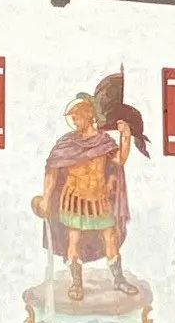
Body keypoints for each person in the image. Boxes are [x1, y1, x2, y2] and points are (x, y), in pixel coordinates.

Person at [32, 94, 134, 302]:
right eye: (73, 118)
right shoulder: (67, 143)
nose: (75, 122)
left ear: (88, 116)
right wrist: (45, 197)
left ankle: (118, 278)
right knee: (74, 239)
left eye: (77, 117)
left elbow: (119, 160)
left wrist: (126, 136)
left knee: (110, 237)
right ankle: (77, 283)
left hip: (98, 199)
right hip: (74, 199)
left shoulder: (104, 141)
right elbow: (52, 171)